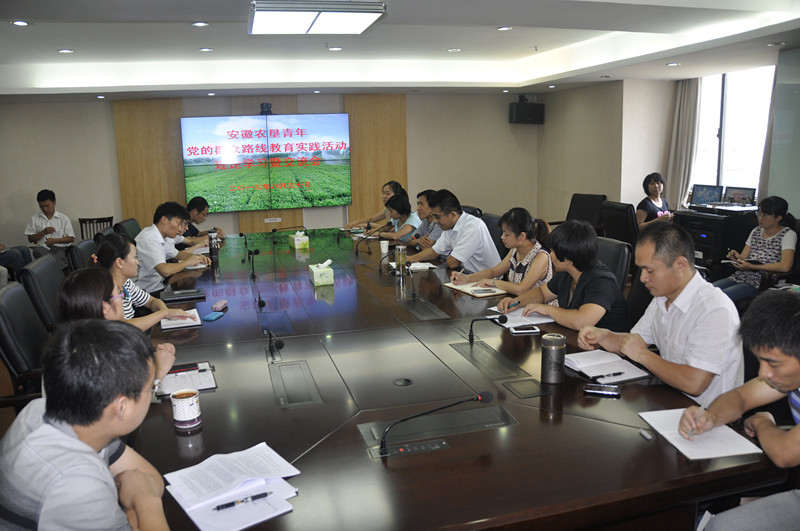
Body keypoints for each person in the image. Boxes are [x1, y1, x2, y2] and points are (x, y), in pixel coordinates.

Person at [0, 319, 169, 530]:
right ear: (122, 407)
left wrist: (141, 500)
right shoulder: (74, 483)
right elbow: (147, 487)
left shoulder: (50, 410)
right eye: (151, 387)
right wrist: (145, 500)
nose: (152, 391)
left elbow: (150, 478)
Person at [578, 222, 743, 405]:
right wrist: (604, 336)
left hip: (707, 413)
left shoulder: (714, 310)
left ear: (680, 264)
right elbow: (634, 343)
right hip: (669, 399)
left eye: (650, 270)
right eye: (641, 269)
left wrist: (644, 355)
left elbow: (694, 383)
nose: (642, 278)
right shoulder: (662, 298)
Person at [678, 290, 800, 530]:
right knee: (721, 526)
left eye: (773, 364)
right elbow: (741, 397)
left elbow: (785, 453)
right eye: (761, 361)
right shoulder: (788, 376)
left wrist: (762, 422)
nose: (763, 372)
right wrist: (710, 416)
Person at [497, 219, 629, 331]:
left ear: (567, 259)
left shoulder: (602, 281)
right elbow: (542, 293)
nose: (550, 255)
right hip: (577, 340)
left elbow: (582, 322)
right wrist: (516, 302)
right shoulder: (567, 273)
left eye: (553, 251)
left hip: (605, 349)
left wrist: (548, 309)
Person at [57, 267, 176, 380]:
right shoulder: (96, 361)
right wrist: (159, 372)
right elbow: (133, 394)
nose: (123, 298)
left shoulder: (90, 341)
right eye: (119, 293)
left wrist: (155, 356)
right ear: (105, 308)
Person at [92, 232, 194, 331]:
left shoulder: (126, 283)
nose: (138, 262)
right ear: (119, 262)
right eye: (135, 257)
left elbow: (151, 301)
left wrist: (165, 311)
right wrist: (163, 314)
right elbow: (122, 326)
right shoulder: (107, 291)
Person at [451, 207, 554, 297]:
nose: (502, 237)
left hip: (539, 310)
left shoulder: (540, 256)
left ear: (521, 236)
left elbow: (521, 289)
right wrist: (467, 278)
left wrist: (494, 282)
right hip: (517, 303)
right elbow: (493, 272)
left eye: (507, 234)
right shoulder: (515, 250)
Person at [713, 196, 796, 304]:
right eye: (759, 213)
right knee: (709, 290)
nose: (760, 218)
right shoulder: (756, 231)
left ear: (778, 218)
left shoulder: (788, 234)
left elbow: (785, 266)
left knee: (722, 297)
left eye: (765, 215)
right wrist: (736, 258)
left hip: (760, 282)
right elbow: (744, 258)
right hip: (741, 276)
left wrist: (752, 266)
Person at [406, 189, 501, 273]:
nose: (435, 221)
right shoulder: (449, 226)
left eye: (437, 217)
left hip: (487, 279)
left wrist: (450, 256)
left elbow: (453, 263)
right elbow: (434, 251)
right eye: (433, 216)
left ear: (452, 215)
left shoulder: (473, 227)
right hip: (466, 274)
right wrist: (409, 259)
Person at [134, 201, 210, 294]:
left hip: (160, 285)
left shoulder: (163, 236)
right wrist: (187, 262)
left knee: (198, 290)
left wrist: (198, 257)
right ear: (164, 220)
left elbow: (177, 255)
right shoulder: (148, 239)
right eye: (179, 223)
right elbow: (165, 271)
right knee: (198, 293)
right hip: (147, 293)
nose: (183, 228)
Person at [24, 189, 75, 267]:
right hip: (42, 249)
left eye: (47, 206)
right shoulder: (34, 218)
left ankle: (57, 266)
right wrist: (43, 232)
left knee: (55, 257)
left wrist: (55, 240)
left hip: (59, 248)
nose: (45, 209)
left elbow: (71, 238)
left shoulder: (64, 218)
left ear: (54, 203)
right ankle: (63, 267)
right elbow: (30, 239)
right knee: (37, 251)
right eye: (41, 206)